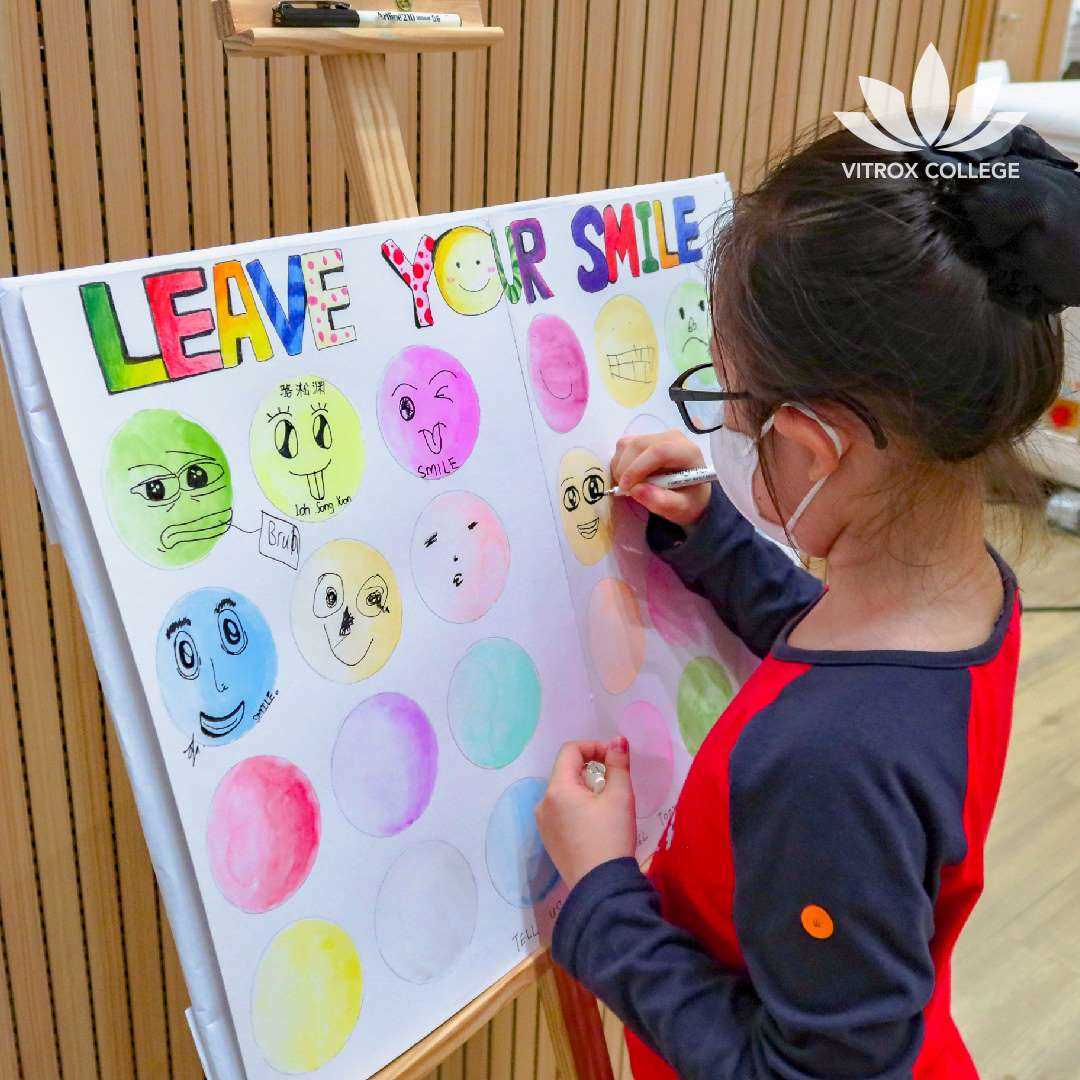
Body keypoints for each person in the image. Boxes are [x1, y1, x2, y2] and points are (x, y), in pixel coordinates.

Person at [535, 124, 1080, 1078]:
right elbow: (831, 647)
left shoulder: (828, 764)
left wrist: (600, 898)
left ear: (812, 446)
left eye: (730, 404)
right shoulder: (965, 593)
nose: (724, 428)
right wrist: (712, 538)